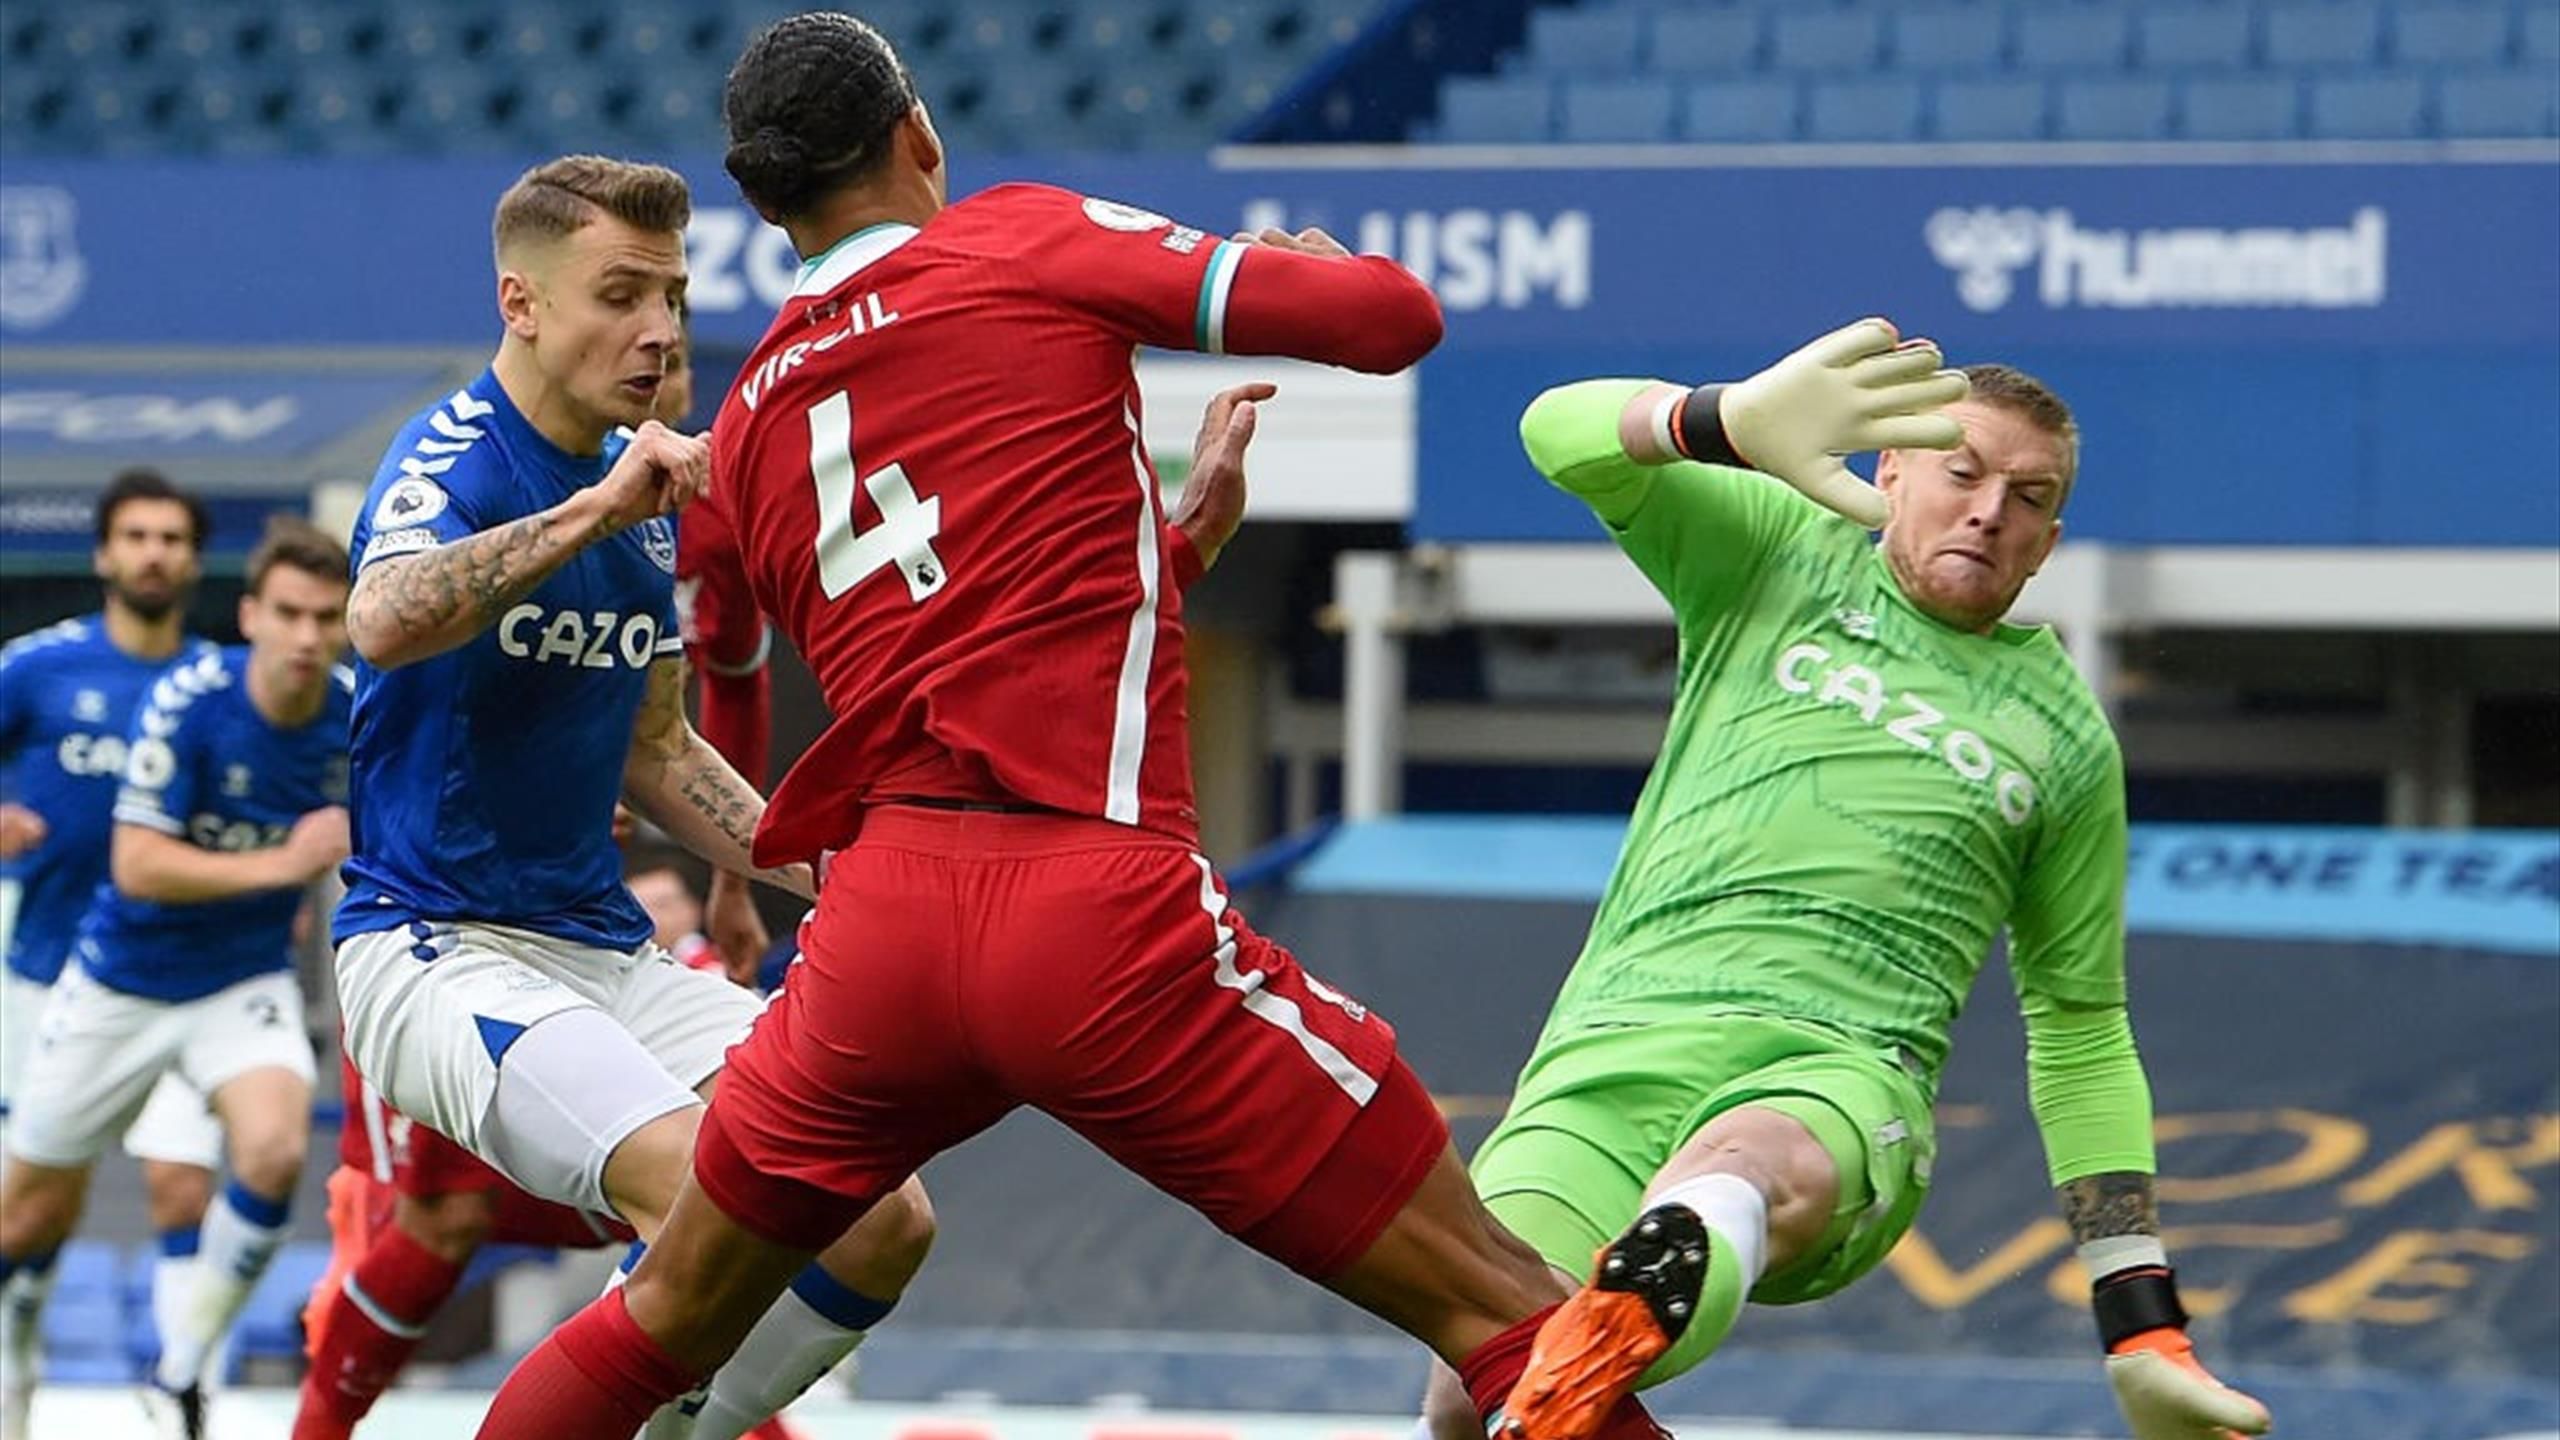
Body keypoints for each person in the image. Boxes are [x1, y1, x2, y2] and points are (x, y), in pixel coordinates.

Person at [473, 16, 1785, 1438]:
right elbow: (1394, 320)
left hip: (879, 944)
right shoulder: (1017, 240)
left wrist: (1166, 555)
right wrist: (1315, 266)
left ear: (761, 201)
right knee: (1506, 1310)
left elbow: (888, 640)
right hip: (1094, 915)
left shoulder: (744, 425)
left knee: (660, 1320)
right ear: (919, 136)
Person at [1413, 324, 2270, 1440]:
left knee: (1736, 1170)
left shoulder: (2065, 740)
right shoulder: (1777, 552)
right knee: (1465, 1393)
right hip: (1619, 1045)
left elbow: (2081, 1032)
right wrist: (1723, 419)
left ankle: (1659, 1272)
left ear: (2047, 545)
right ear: (1890, 470)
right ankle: (1594, 1335)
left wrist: (2140, 1318)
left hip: (1840, 1080)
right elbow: (1555, 432)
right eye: (1963, 473)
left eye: (2027, 498)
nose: (1988, 512)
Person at [326, 153, 945, 1440]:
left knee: (882, 1217)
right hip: (438, 951)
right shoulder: (458, 457)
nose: (658, 330)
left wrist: (833, 868)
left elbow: (658, 751)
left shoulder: (641, 499)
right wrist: (595, 512)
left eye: (670, 296)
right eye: (620, 295)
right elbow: (380, 618)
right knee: (713, 1197)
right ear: (521, 302)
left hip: (603, 952)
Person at [0, 518, 359, 1439]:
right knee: (24, 1220)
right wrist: (284, 866)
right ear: (251, 615)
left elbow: (435, 799)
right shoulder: (189, 700)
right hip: (117, 982)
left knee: (269, 1152)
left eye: (328, 617)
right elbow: (138, 866)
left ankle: (182, 1376)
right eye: (290, 613)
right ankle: (17, 1354)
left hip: (242, 981)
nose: (308, 636)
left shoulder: (356, 712)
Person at [0, 471, 233, 1440]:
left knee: (183, 1186)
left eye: (171, 538)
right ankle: (19, 1351)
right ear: (104, 553)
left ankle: (186, 1404)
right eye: (136, 536)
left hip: (186, 975)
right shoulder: (35, 670)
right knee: (35, 1214)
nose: (153, 553)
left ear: (194, 559)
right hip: (48, 975)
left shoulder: (222, 683)